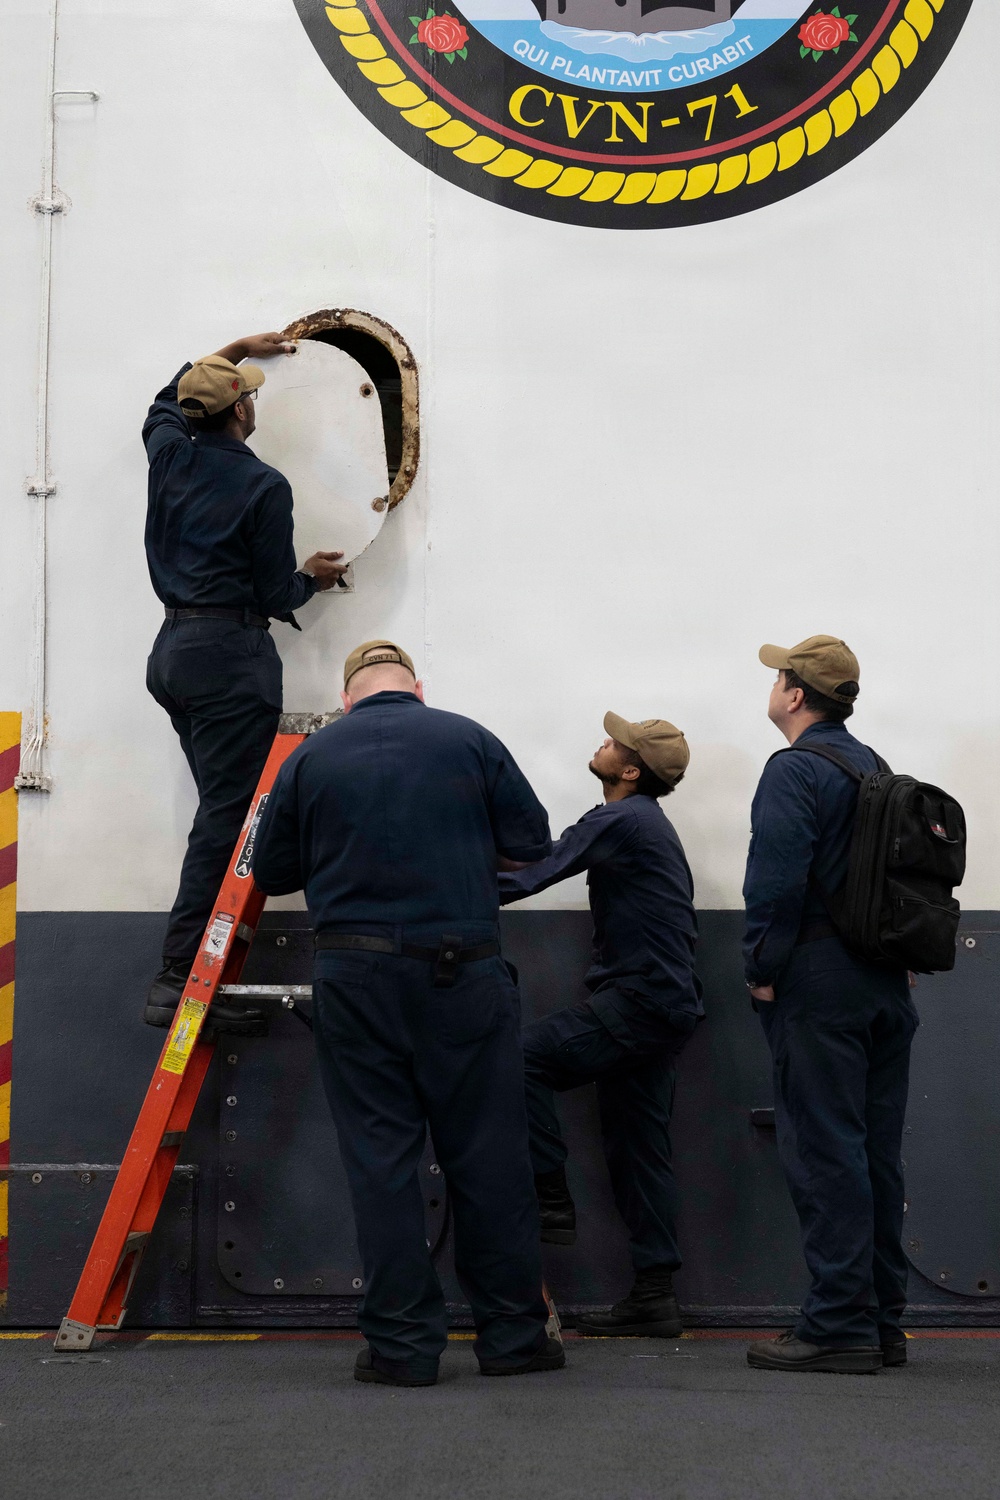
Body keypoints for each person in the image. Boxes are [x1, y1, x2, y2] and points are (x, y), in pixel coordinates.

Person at [251, 640, 564, 1387]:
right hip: (464, 972)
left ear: (348, 696)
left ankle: (401, 1348)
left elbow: (270, 870)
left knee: (381, 1163)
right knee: (489, 1157)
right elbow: (531, 847)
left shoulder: (311, 757)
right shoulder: (472, 738)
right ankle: (515, 1339)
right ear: (418, 689)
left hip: (353, 977)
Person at [142, 333, 346, 1031]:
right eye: (247, 393)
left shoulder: (169, 457)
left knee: (219, 813)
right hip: (230, 657)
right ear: (240, 413)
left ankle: (196, 971)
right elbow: (274, 592)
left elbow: (163, 401)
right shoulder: (263, 484)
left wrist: (228, 350)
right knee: (228, 818)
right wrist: (312, 579)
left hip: (172, 653)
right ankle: (178, 980)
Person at [743, 636, 918, 1375]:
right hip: (885, 980)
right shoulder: (874, 768)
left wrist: (760, 965)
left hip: (819, 981)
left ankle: (838, 1323)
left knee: (824, 1150)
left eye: (778, 675)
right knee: (874, 1153)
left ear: (792, 693)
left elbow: (777, 881)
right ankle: (880, 1321)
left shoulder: (794, 770)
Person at [500, 713, 701, 1338]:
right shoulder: (649, 825)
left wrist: (436, 888)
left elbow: (536, 871)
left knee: (519, 1060)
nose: (603, 743)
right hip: (667, 1005)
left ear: (631, 770)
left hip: (638, 1001)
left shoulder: (621, 818)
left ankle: (550, 1197)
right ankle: (656, 1295)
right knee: (640, 1151)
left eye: (615, 744)